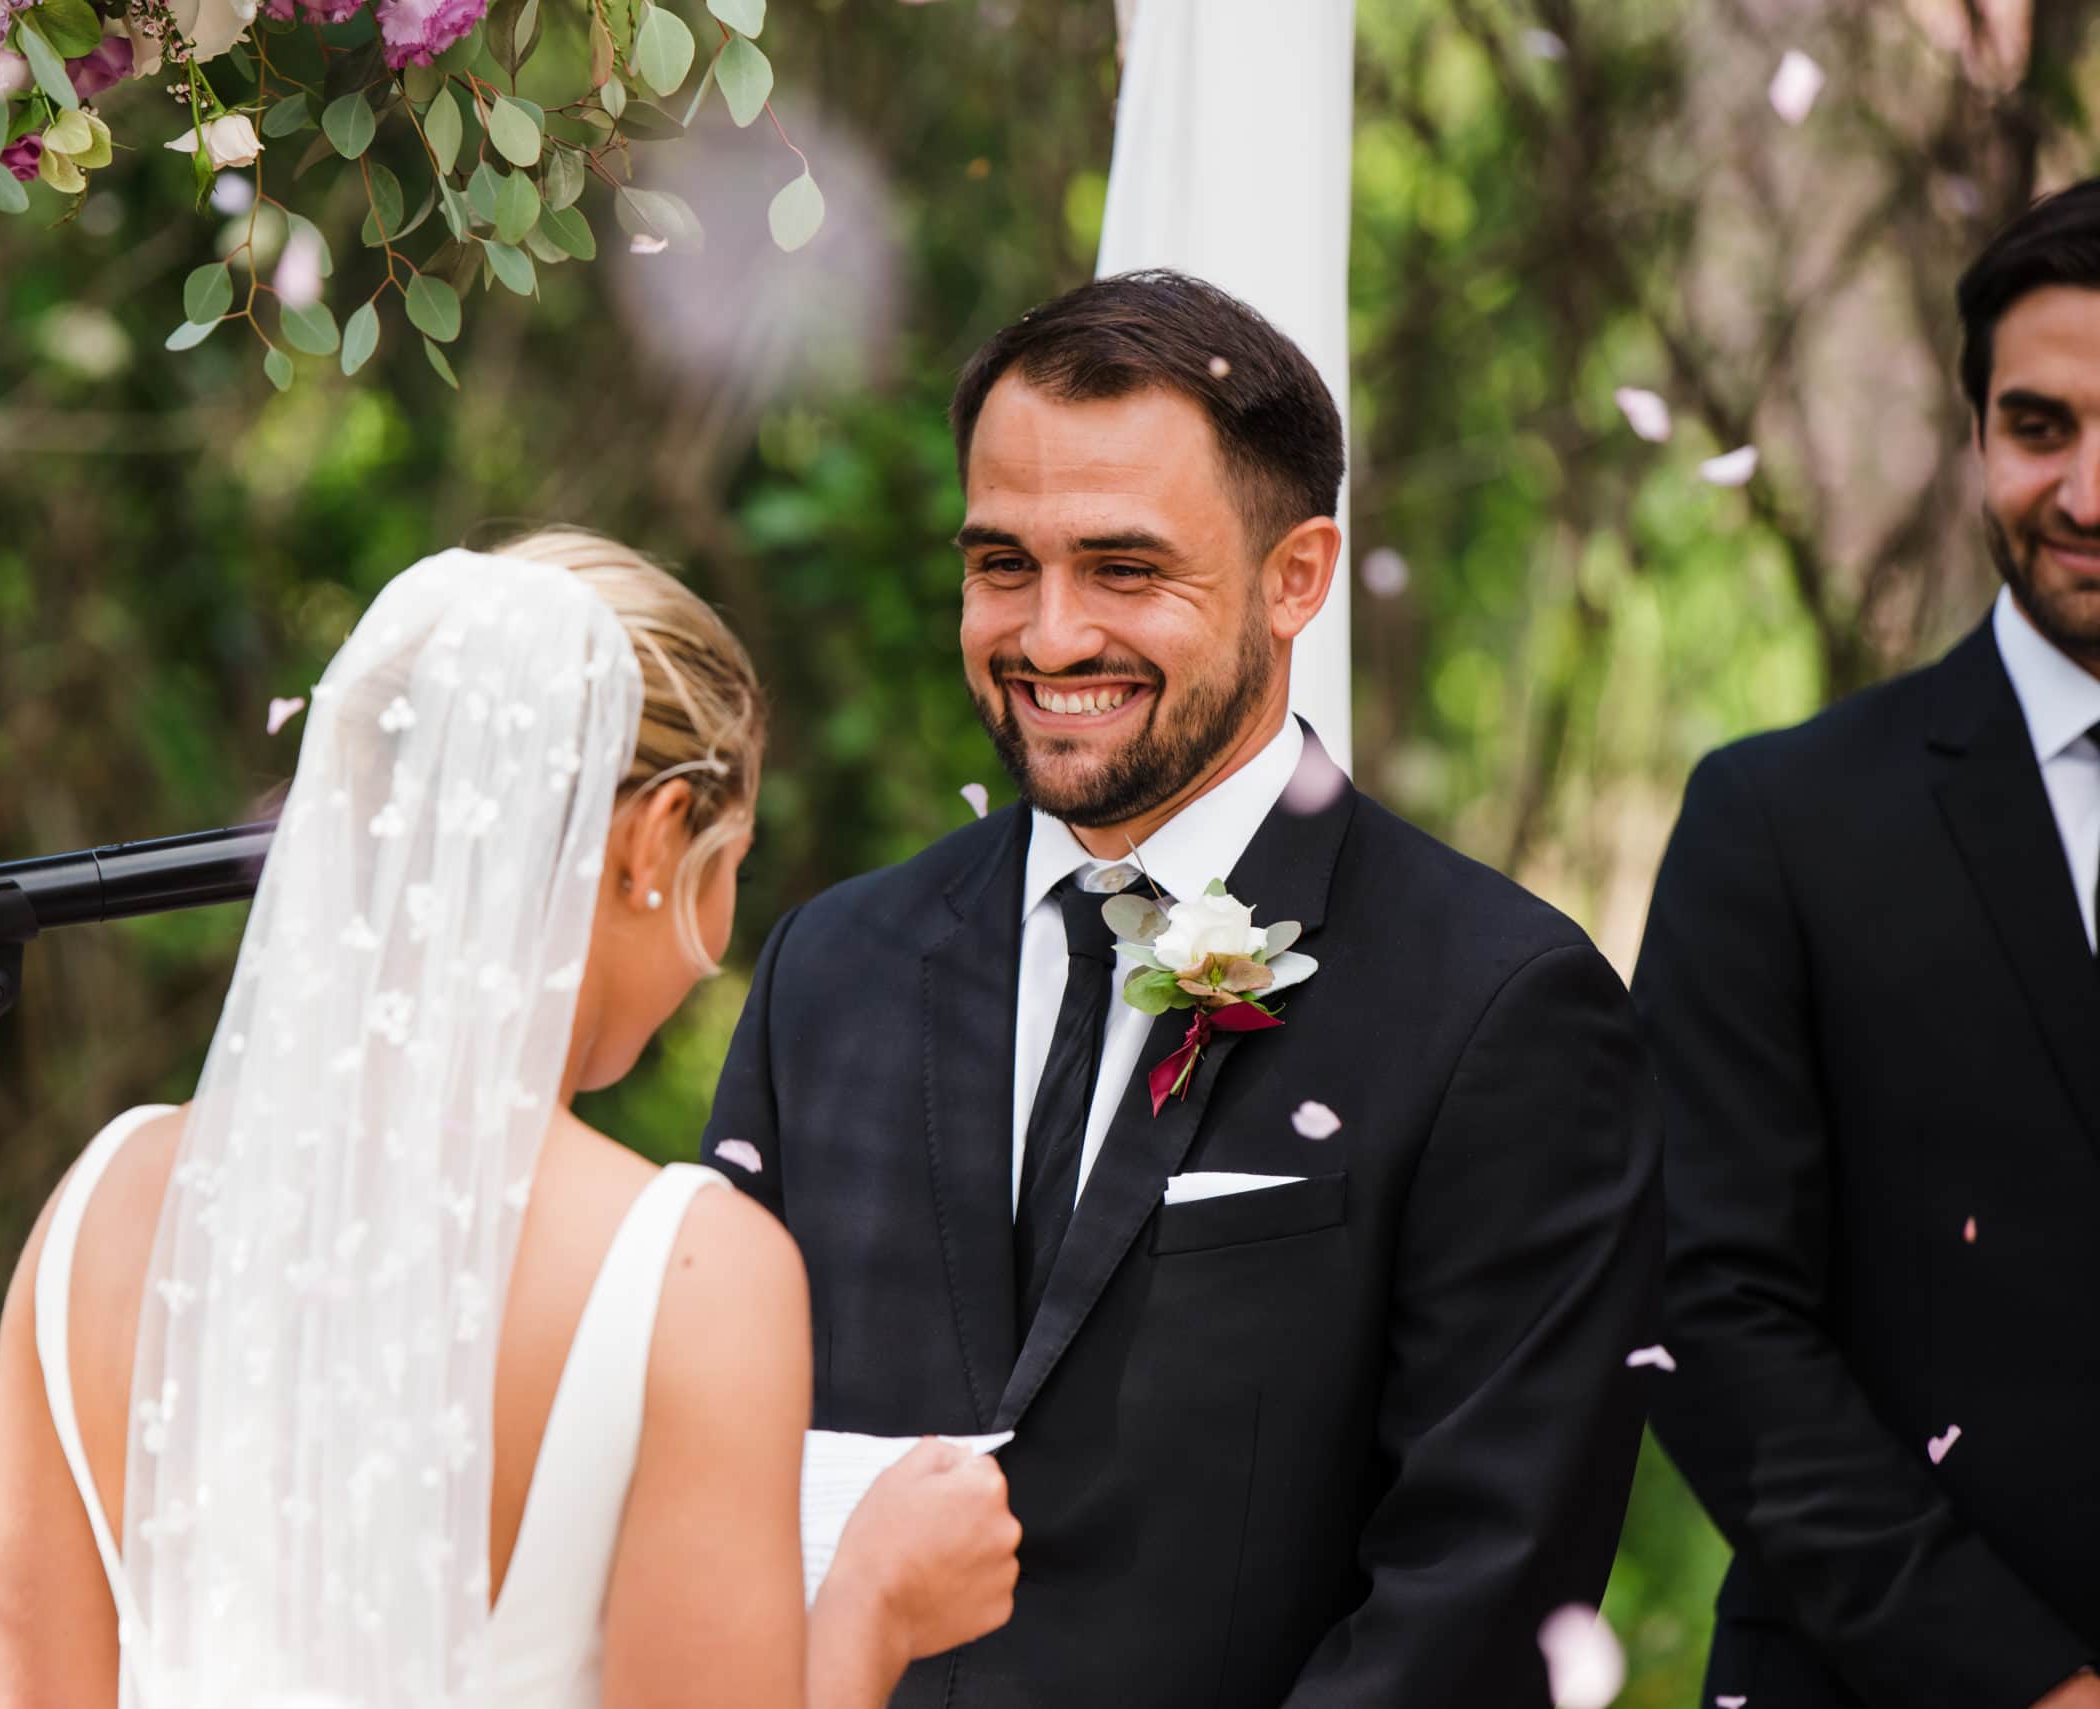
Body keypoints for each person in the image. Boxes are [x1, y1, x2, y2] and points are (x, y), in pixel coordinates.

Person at [702, 270, 1665, 1708]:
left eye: (1125, 569)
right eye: (1002, 563)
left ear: (1297, 576)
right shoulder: (826, 973)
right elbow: (719, 1480)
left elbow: (1475, 1596)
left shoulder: (1501, 1006)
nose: (1048, 637)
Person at [0, 531, 1022, 1709]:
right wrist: (878, 1603)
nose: (717, 938)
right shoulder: (689, 1271)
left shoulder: (99, 1206)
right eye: (730, 856)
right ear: (653, 837)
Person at [1635, 182, 2100, 1709]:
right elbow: (1707, 1306)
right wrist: (2027, 1686)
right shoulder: (1781, 823)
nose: (2088, 492)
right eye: (2040, 427)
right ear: (1975, 437)